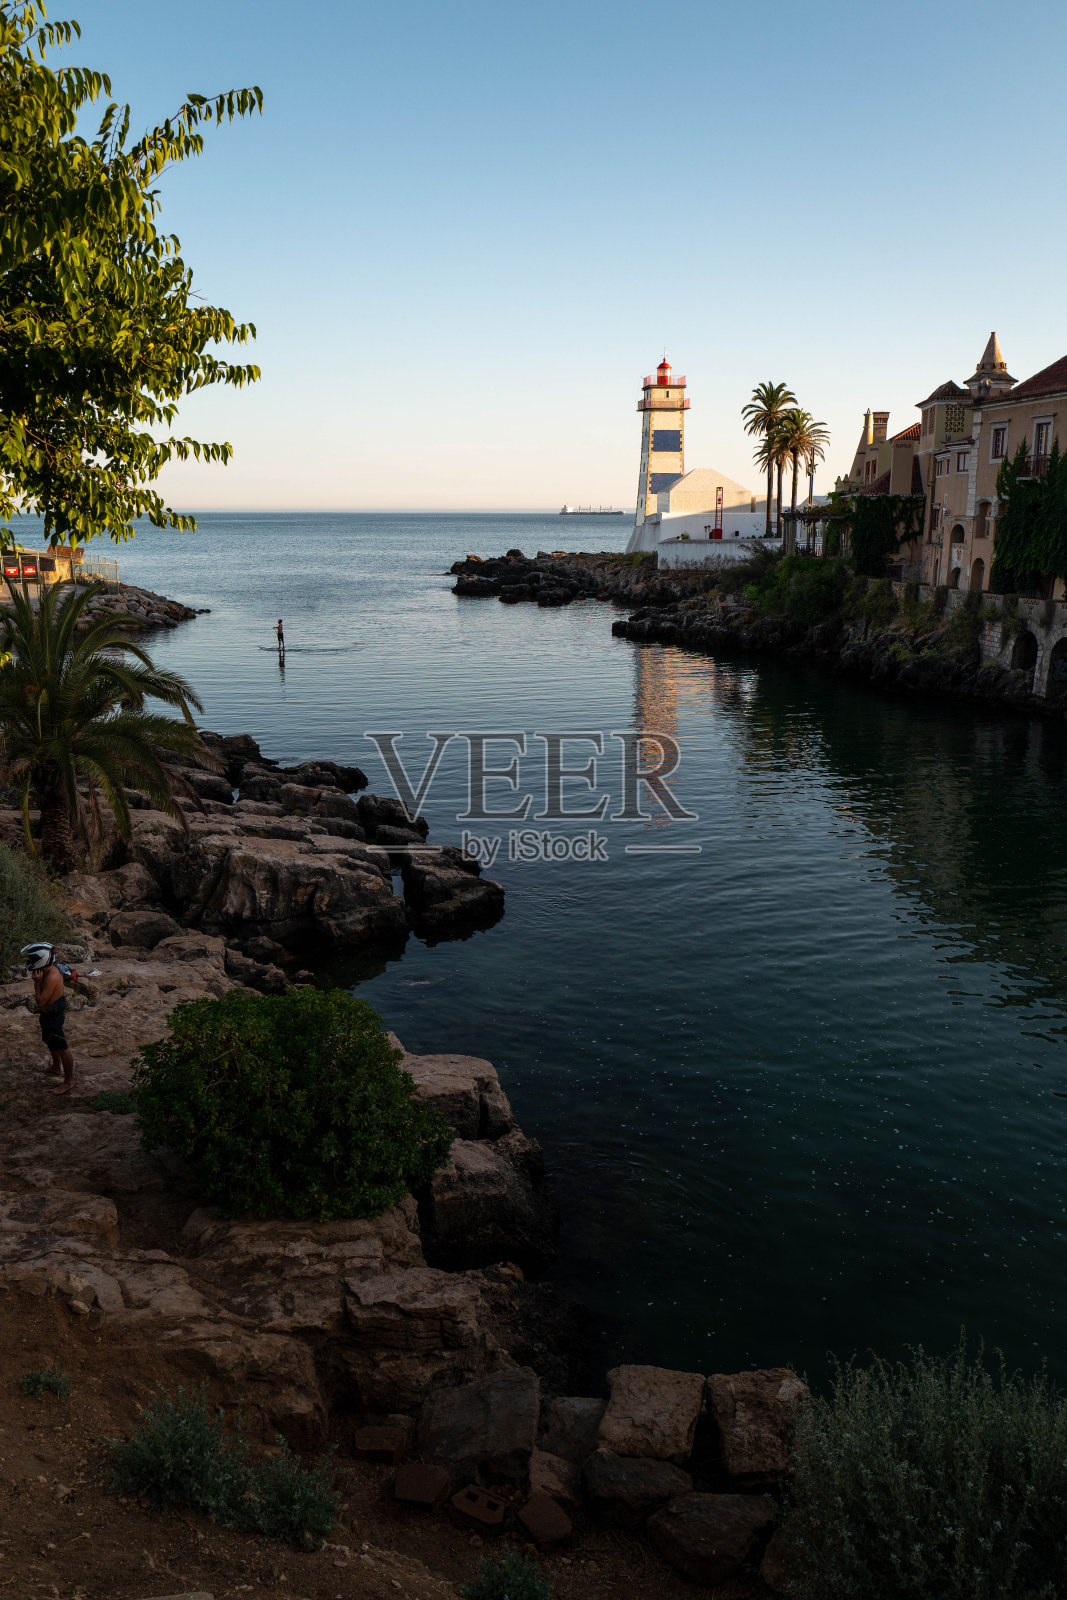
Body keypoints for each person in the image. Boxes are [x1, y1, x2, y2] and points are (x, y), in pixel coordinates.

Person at [22, 942, 75, 1095]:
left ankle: (69, 1081)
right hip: (48, 1015)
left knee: (62, 1048)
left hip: (53, 1017)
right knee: (50, 1041)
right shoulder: (47, 969)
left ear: (42, 959)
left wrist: (37, 983)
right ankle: (56, 1067)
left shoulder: (51, 976)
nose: (30, 962)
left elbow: (40, 1001)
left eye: (32, 959)